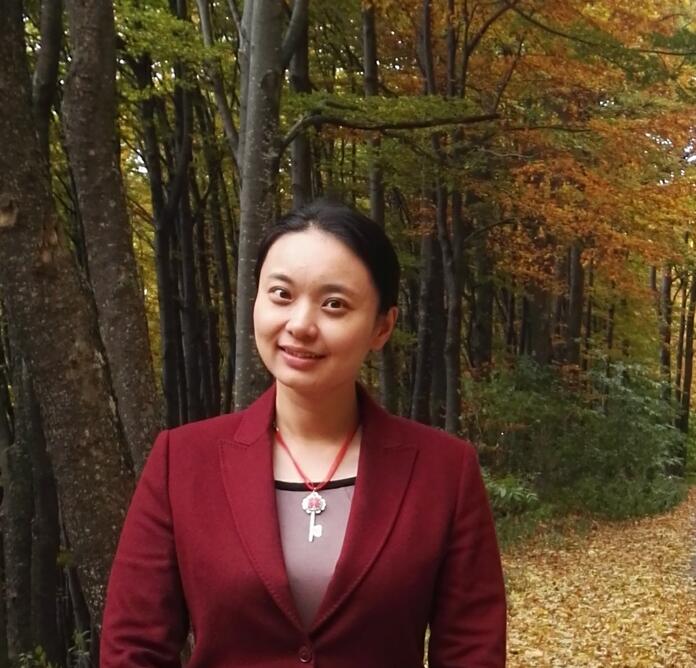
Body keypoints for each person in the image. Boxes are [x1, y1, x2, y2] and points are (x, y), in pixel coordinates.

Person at [100, 200, 506, 667]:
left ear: (382, 326)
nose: (300, 325)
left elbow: (472, 653)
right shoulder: (183, 461)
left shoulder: (444, 471)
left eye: (334, 304)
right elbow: (133, 648)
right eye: (281, 295)